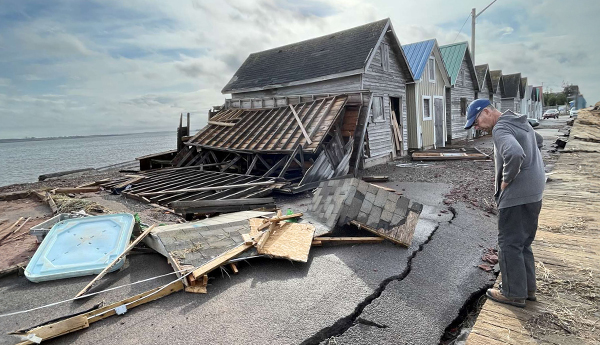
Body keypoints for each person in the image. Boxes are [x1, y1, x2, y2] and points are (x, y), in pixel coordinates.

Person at [464, 99, 545, 308]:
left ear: (487, 112)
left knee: (508, 244)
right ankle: (527, 289)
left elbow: (515, 153)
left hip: (517, 195)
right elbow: (539, 139)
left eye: (476, 121)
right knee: (523, 243)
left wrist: (506, 179)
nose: (477, 127)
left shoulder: (500, 128)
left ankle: (512, 294)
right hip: (535, 192)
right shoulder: (520, 121)